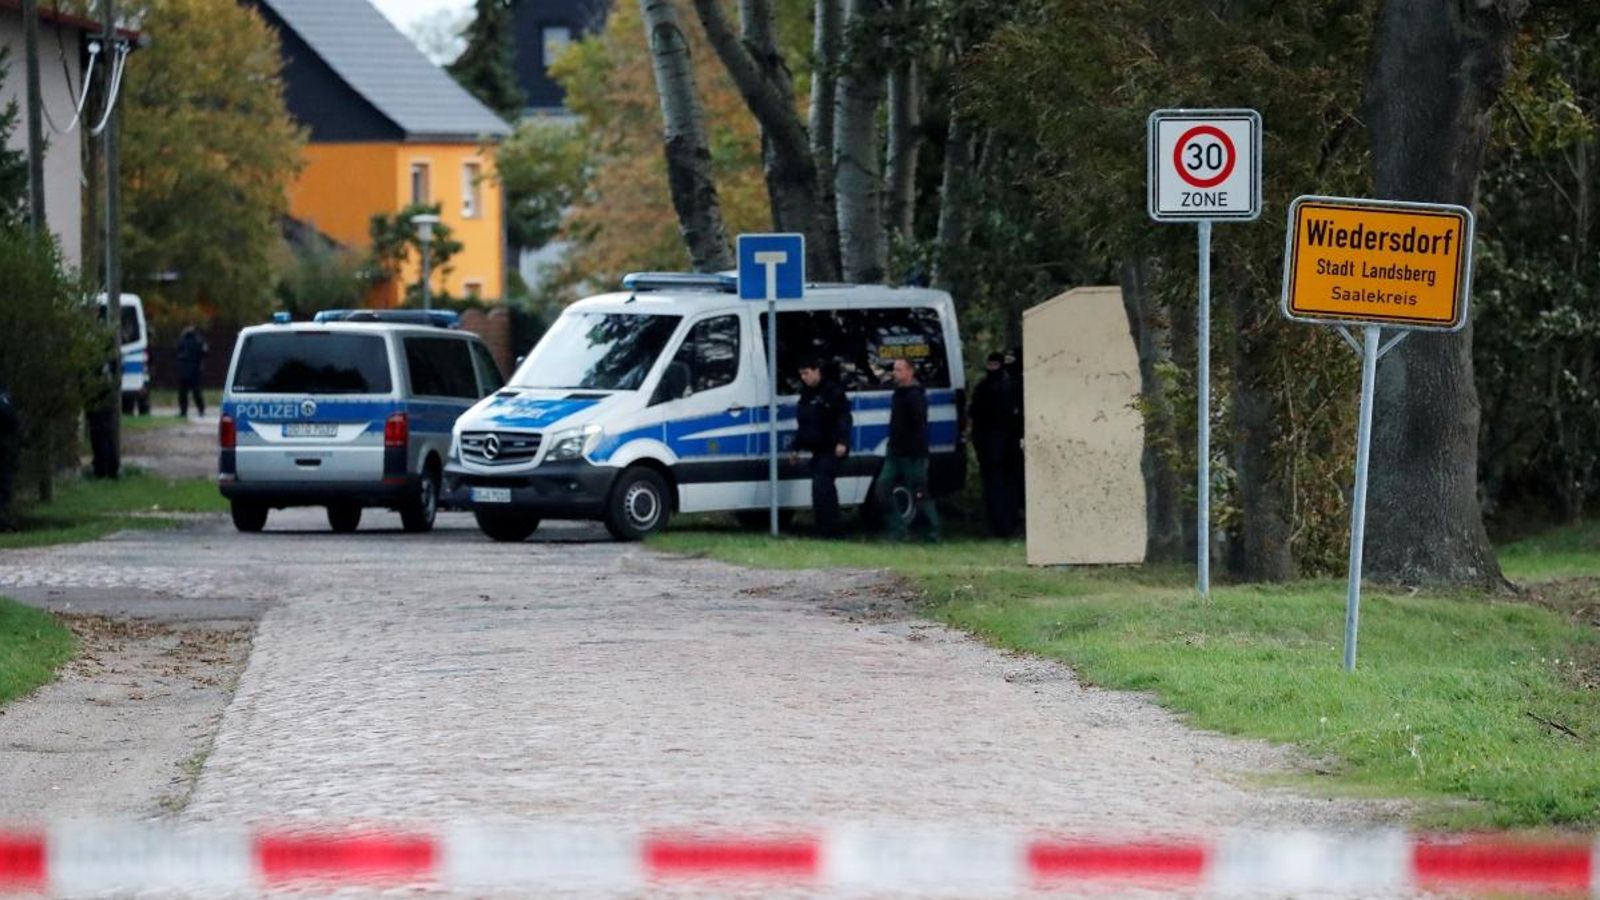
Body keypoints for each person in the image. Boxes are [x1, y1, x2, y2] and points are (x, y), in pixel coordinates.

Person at [875, 358, 939, 542]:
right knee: (882, 488)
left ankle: (931, 533)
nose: (895, 373)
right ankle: (896, 529)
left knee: (920, 492)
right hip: (894, 451)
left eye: (899, 369)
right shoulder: (898, 393)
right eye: (894, 369)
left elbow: (919, 426)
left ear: (910, 372)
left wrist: (916, 452)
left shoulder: (916, 396)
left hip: (913, 454)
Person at [790, 357, 852, 538]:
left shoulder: (833, 391)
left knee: (823, 486)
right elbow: (804, 424)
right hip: (817, 448)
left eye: (806, 373)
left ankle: (832, 530)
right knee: (820, 489)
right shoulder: (806, 394)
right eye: (801, 374)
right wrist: (796, 448)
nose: (804, 377)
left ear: (817, 370)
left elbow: (844, 418)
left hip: (832, 447)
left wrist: (842, 441)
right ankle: (825, 529)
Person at [969, 351, 1020, 537]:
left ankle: (1003, 525)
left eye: (994, 365)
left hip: (999, 446)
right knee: (999, 486)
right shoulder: (1001, 386)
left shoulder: (997, 387)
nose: (992, 369)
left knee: (1000, 487)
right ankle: (1002, 525)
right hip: (996, 446)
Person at [175, 326, 208, 418]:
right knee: (196, 392)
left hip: (184, 372)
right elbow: (205, 353)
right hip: (195, 372)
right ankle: (201, 410)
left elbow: (178, 353)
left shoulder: (182, 342)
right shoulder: (199, 342)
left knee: (183, 393)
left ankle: (183, 411)